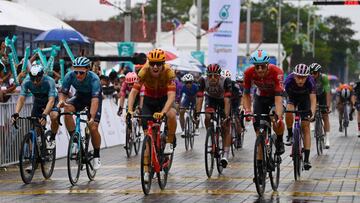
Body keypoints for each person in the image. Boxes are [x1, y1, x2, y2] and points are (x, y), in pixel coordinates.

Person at [127, 48, 177, 181]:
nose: (155, 66)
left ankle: (170, 142)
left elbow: (171, 96)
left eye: (158, 64)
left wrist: (163, 112)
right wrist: (130, 110)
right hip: (149, 102)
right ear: (149, 63)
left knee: (172, 114)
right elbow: (133, 92)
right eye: (152, 63)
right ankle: (146, 171)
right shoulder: (143, 71)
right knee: (148, 139)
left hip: (164, 100)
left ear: (163, 64)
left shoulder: (169, 72)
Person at [243, 50, 285, 175]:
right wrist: (248, 110)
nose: (260, 69)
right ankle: (260, 166)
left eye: (263, 66)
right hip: (260, 99)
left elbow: (278, 98)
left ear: (267, 64)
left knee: (275, 118)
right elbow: (246, 94)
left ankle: (279, 140)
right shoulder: (248, 73)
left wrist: (278, 116)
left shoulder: (277, 72)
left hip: (275, 98)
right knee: (259, 134)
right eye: (257, 67)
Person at [57, 56, 102, 170]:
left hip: (93, 99)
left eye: (81, 73)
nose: (78, 75)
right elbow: (63, 92)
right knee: (66, 109)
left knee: (93, 127)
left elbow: (95, 100)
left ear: (87, 69)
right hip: (80, 97)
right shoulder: (70, 76)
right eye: (76, 72)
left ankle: (96, 155)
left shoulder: (94, 79)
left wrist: (91, 117)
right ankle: (75, 140)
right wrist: (62, 101)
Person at [11, 64, 59, 149]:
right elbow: (21, 99)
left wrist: (44, 115)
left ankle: (52, 137)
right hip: (39, 101)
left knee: (54, 116)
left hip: (51, 100)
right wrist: (16, 113)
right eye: (33, 79)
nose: (35, 82)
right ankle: (40, 144)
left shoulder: (49, 81)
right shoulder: (27, 81)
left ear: (42, 75)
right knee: (35, 124)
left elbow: (51, 101)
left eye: (38, 79)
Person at [195, 64, 232, 168]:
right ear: (207, 75)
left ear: (219, 76)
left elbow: (227, 100)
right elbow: (199, 97)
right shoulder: (203, 80)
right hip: (211, 100)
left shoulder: (226, 81)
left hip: (224, 100)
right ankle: (211, 135)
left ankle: (225, 154)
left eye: (215, 76)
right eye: (210, 75)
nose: (212, 78)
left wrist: (226, 116)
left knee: (226, 126)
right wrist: (197, 113)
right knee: (207, 116)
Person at [284, 64, 316, 170]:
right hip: (292, 98)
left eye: (303, 77)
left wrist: (313, 113)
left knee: (305, 127)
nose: (301, 80)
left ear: (307, 76)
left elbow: (313, 100)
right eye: (298, 77)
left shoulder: (311, 81)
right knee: (288, 111)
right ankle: (289, 134)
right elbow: (282, 96)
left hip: (305, 100)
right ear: (294, 76)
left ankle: (306, 159)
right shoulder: (288, 80)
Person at [309, 63, 331, 149]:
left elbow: (328, 92)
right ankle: (312, 123)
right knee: (310, 111)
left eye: (314, 73)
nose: (312, 75)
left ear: (319, 72)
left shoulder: (324, 78)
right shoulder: (308, 78)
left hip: (322, 95)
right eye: (311, 73)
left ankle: (327, 139)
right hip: (312, 95)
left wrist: (328, 106)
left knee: (325, 116)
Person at [179, 73, 199, 137]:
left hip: (194, 99)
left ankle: (196, 129)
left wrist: (196, 106)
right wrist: (180, 106)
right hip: (187, 99)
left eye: (190, 82)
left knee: (196, 113)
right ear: (184, 83)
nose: (188, 84)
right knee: (181, 112)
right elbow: (180, 97)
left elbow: (198, 97)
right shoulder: (183, 88)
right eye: (187, 83)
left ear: (192, 82)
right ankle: (183, 130)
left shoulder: (195, 87)